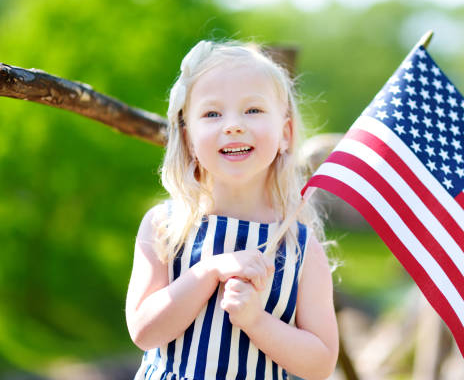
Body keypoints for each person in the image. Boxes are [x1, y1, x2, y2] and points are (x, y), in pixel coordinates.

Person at [125, 40, 339, 380]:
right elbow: (144, 331)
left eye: (252, 110)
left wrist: (256, 321)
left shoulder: (299, 246)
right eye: (212, 114)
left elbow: (321, 364)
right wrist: (208, 272)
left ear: (285, 133)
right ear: (189, 139)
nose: (233, 125)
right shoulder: (166, 226)